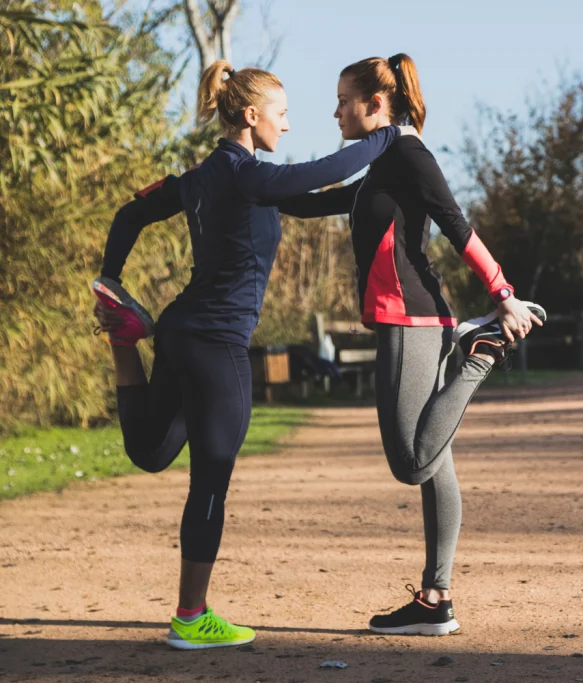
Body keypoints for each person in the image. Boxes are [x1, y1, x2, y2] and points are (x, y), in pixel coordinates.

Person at [91, 59, 416, 650]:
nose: (288, 126)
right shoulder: (247, 174)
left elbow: (130, 213)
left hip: (179, 333)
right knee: (209, 482)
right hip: (218, 350)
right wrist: (388, 136)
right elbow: (320, 171)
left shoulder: (204, 179)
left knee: (150, 449)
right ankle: (191, 617)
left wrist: (111, 281)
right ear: (250, 115)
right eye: (282, 114)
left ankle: (122, 339)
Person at [278, 53, 544, 636]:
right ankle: (436, 600)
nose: (335, 111)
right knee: (436, 460)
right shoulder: (383, 164)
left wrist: (504, 294)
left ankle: (480, 355)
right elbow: (320, 199)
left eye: (344, 100)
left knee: (412, 461)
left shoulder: (407, 152)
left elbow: (455, 221)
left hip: (411, 322)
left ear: (377, 103)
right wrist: (254, 187)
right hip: (421, 319)